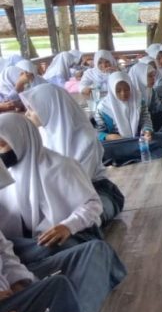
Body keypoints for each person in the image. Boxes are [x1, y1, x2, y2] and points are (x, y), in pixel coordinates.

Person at [20, 84, 125, 226]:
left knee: (84, 222)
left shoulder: (84, 139)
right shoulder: (41, 135)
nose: (27, 114)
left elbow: (79, 184)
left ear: (49, 107)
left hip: (93, 192)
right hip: (54, 196)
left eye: (32, 109)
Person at [0, 113, 103, 254]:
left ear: (19, 139)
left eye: (2, 144)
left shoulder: (60, 167)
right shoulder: (6, 173)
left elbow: (93, 204)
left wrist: (68, 226)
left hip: (66, 235)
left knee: (50, 247)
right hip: (27, 242)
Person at [0, 229, 84, 312]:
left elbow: (5, 254)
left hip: (9, 299)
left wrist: (19, 283)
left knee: (94, 250)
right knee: (58, 289)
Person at [94, 72, 153, 142]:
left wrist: (147, 131)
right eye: (118, 91)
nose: (123, 93)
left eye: (127, 89)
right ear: (112, 91)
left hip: (139, 140)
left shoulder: (138, 100)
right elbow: (98, 133)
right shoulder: (103, 108)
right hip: (116, 144)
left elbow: (145, 119)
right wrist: (108, 137)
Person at [128, 58, 162, 131]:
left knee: (161, 115)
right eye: (150, 76)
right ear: (140, 76)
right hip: (130, 126)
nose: (153, 79)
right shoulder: (129, 93)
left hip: (146, 123)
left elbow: (158, 109)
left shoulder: (151, 91)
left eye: (154, 76)